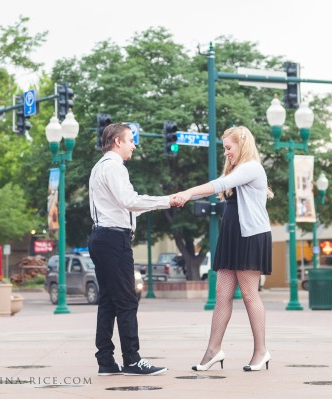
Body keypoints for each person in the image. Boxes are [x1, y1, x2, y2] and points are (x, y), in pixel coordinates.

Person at [174, 126, 273, 372]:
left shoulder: (251, 167)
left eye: (229, 148)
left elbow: (219, 184)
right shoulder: (238, 170)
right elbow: (217, 189)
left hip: (249, 236)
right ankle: (213, 350)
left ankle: (261, 351)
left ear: (242, 145)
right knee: (222, 294)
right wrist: (182, 197)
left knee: (249, 294)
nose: (226, 153)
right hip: (232, 237)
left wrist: (187, 192)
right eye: (224, 149)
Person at [88, 123, 180, 376]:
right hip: (113, 239)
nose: (134, 145)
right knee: (127, 300)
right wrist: (167, 200)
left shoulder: (99, 167)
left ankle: (105, 361)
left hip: (102, 238)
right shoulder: (114, 167)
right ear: (117, 142)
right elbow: (129, 201)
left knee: (108, 301)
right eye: (131, 140)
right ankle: (132, 360)